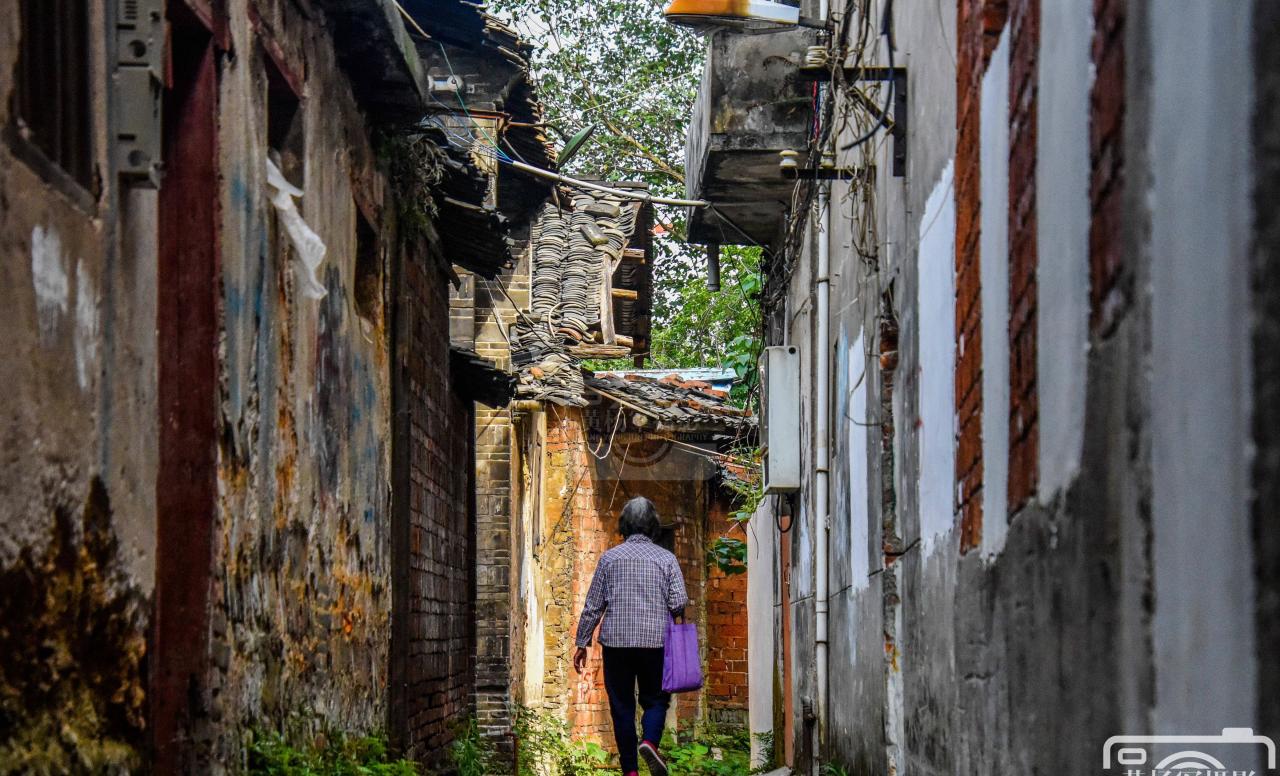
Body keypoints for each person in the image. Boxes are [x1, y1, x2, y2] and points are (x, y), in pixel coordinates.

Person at [574, 496, 689, 776]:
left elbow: (593, 605)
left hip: (617, 643)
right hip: (655, 643)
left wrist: (582, 642)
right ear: (653, 526)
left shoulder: (609, 559)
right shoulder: (667, 559)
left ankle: (630, 771)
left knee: (622, 705)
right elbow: (678, 604)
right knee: (656, 699)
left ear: (624, 525)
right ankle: (649, 741)